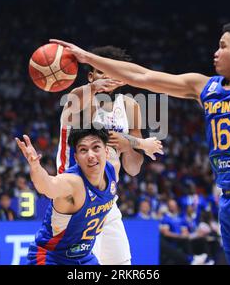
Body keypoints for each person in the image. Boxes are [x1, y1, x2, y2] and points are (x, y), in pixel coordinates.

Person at [51, 22, 230, 265]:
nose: (215, 52)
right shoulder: (204, 87)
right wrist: (87, 56)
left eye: (223, 46)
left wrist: (131, 144)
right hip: (227, 200)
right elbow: (142, 75)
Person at [57, 46, 164, 265]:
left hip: (107, 201)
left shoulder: (130, 107)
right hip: (74, 200)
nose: (105, 76)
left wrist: (128, 146)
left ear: (120, 77)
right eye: (99, 72)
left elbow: (133, 169)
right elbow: (75, 100)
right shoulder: (80, 100)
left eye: (110, 72)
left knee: (122, 265)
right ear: (90, 76)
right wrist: (141, 142)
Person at [16, 126, 118, 265]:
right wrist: (35, 167)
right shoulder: (72, 182)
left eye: (96, 148)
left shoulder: (113, 169)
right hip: (51, 257)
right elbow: (47, 186)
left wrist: (140, 144)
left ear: (106, 151)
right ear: (76, 158)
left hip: (84, 256)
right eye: (83, 150)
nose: (91, 155)